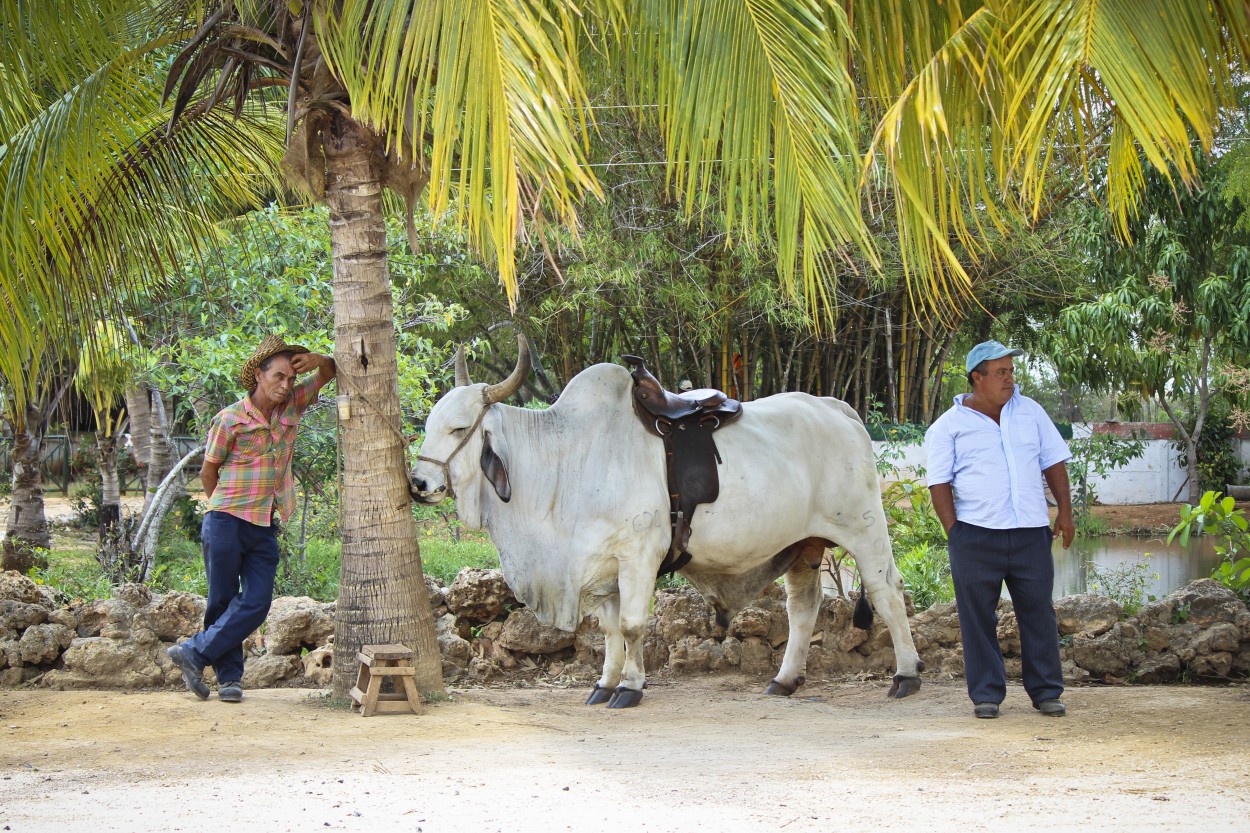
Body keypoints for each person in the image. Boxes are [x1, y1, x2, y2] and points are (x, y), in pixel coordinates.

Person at [167, 335, 335, 702]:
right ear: (258, 375)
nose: (285, 384)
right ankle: (229, 680)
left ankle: (194, 653)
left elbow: (330, 372)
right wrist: (224, 510)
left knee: (257, 602)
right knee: (222, 600)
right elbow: (208, 471)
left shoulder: (293, 407)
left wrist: (319, 357)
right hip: (226, 518)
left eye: (290, 378)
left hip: (263, 524)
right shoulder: (229, 419)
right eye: (278, 376)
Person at [924, 340, 1075, 720]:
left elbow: (1054, 463)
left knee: (1039, 613)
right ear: (978, 378)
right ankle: (987, 695)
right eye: (1001, 372)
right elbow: (939, 483)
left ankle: (1046, 693)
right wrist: (954, 532)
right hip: (975, 535)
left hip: (1030, 532)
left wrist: (1065, 513)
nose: (1010, 378)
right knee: (977, 617)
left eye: (1011, 370)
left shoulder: (1031, 413)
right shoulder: (948, 426)